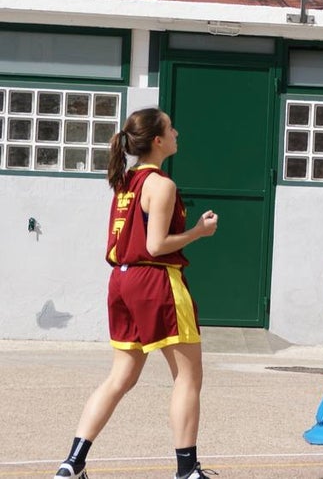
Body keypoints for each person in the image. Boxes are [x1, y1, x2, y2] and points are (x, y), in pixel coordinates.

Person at [53, 108, 219, 479]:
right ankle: (187, 470)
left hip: (122, 282)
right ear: (157, 140)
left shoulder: (125, 181)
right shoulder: (161, 184)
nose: (177, 131)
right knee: (188, 378)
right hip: (155, 280)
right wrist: (197, 232)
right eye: (171, 127)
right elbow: (157, 245)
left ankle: (72, 463)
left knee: (120, 378)